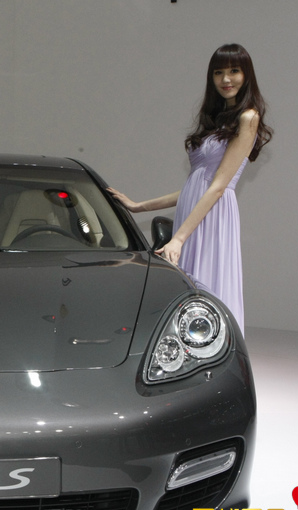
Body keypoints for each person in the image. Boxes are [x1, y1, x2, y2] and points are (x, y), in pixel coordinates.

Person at [108, 43, 272, 334]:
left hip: (212, 216)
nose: (226, 79)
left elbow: (218, 187)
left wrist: (178, 238)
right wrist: (139, 206)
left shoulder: (248, 117)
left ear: (247, 75)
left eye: (234, 71)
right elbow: (194, 186)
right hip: (195, 213)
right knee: (190, 290)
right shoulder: (217, 120)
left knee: (206, 287)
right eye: (218, 73)